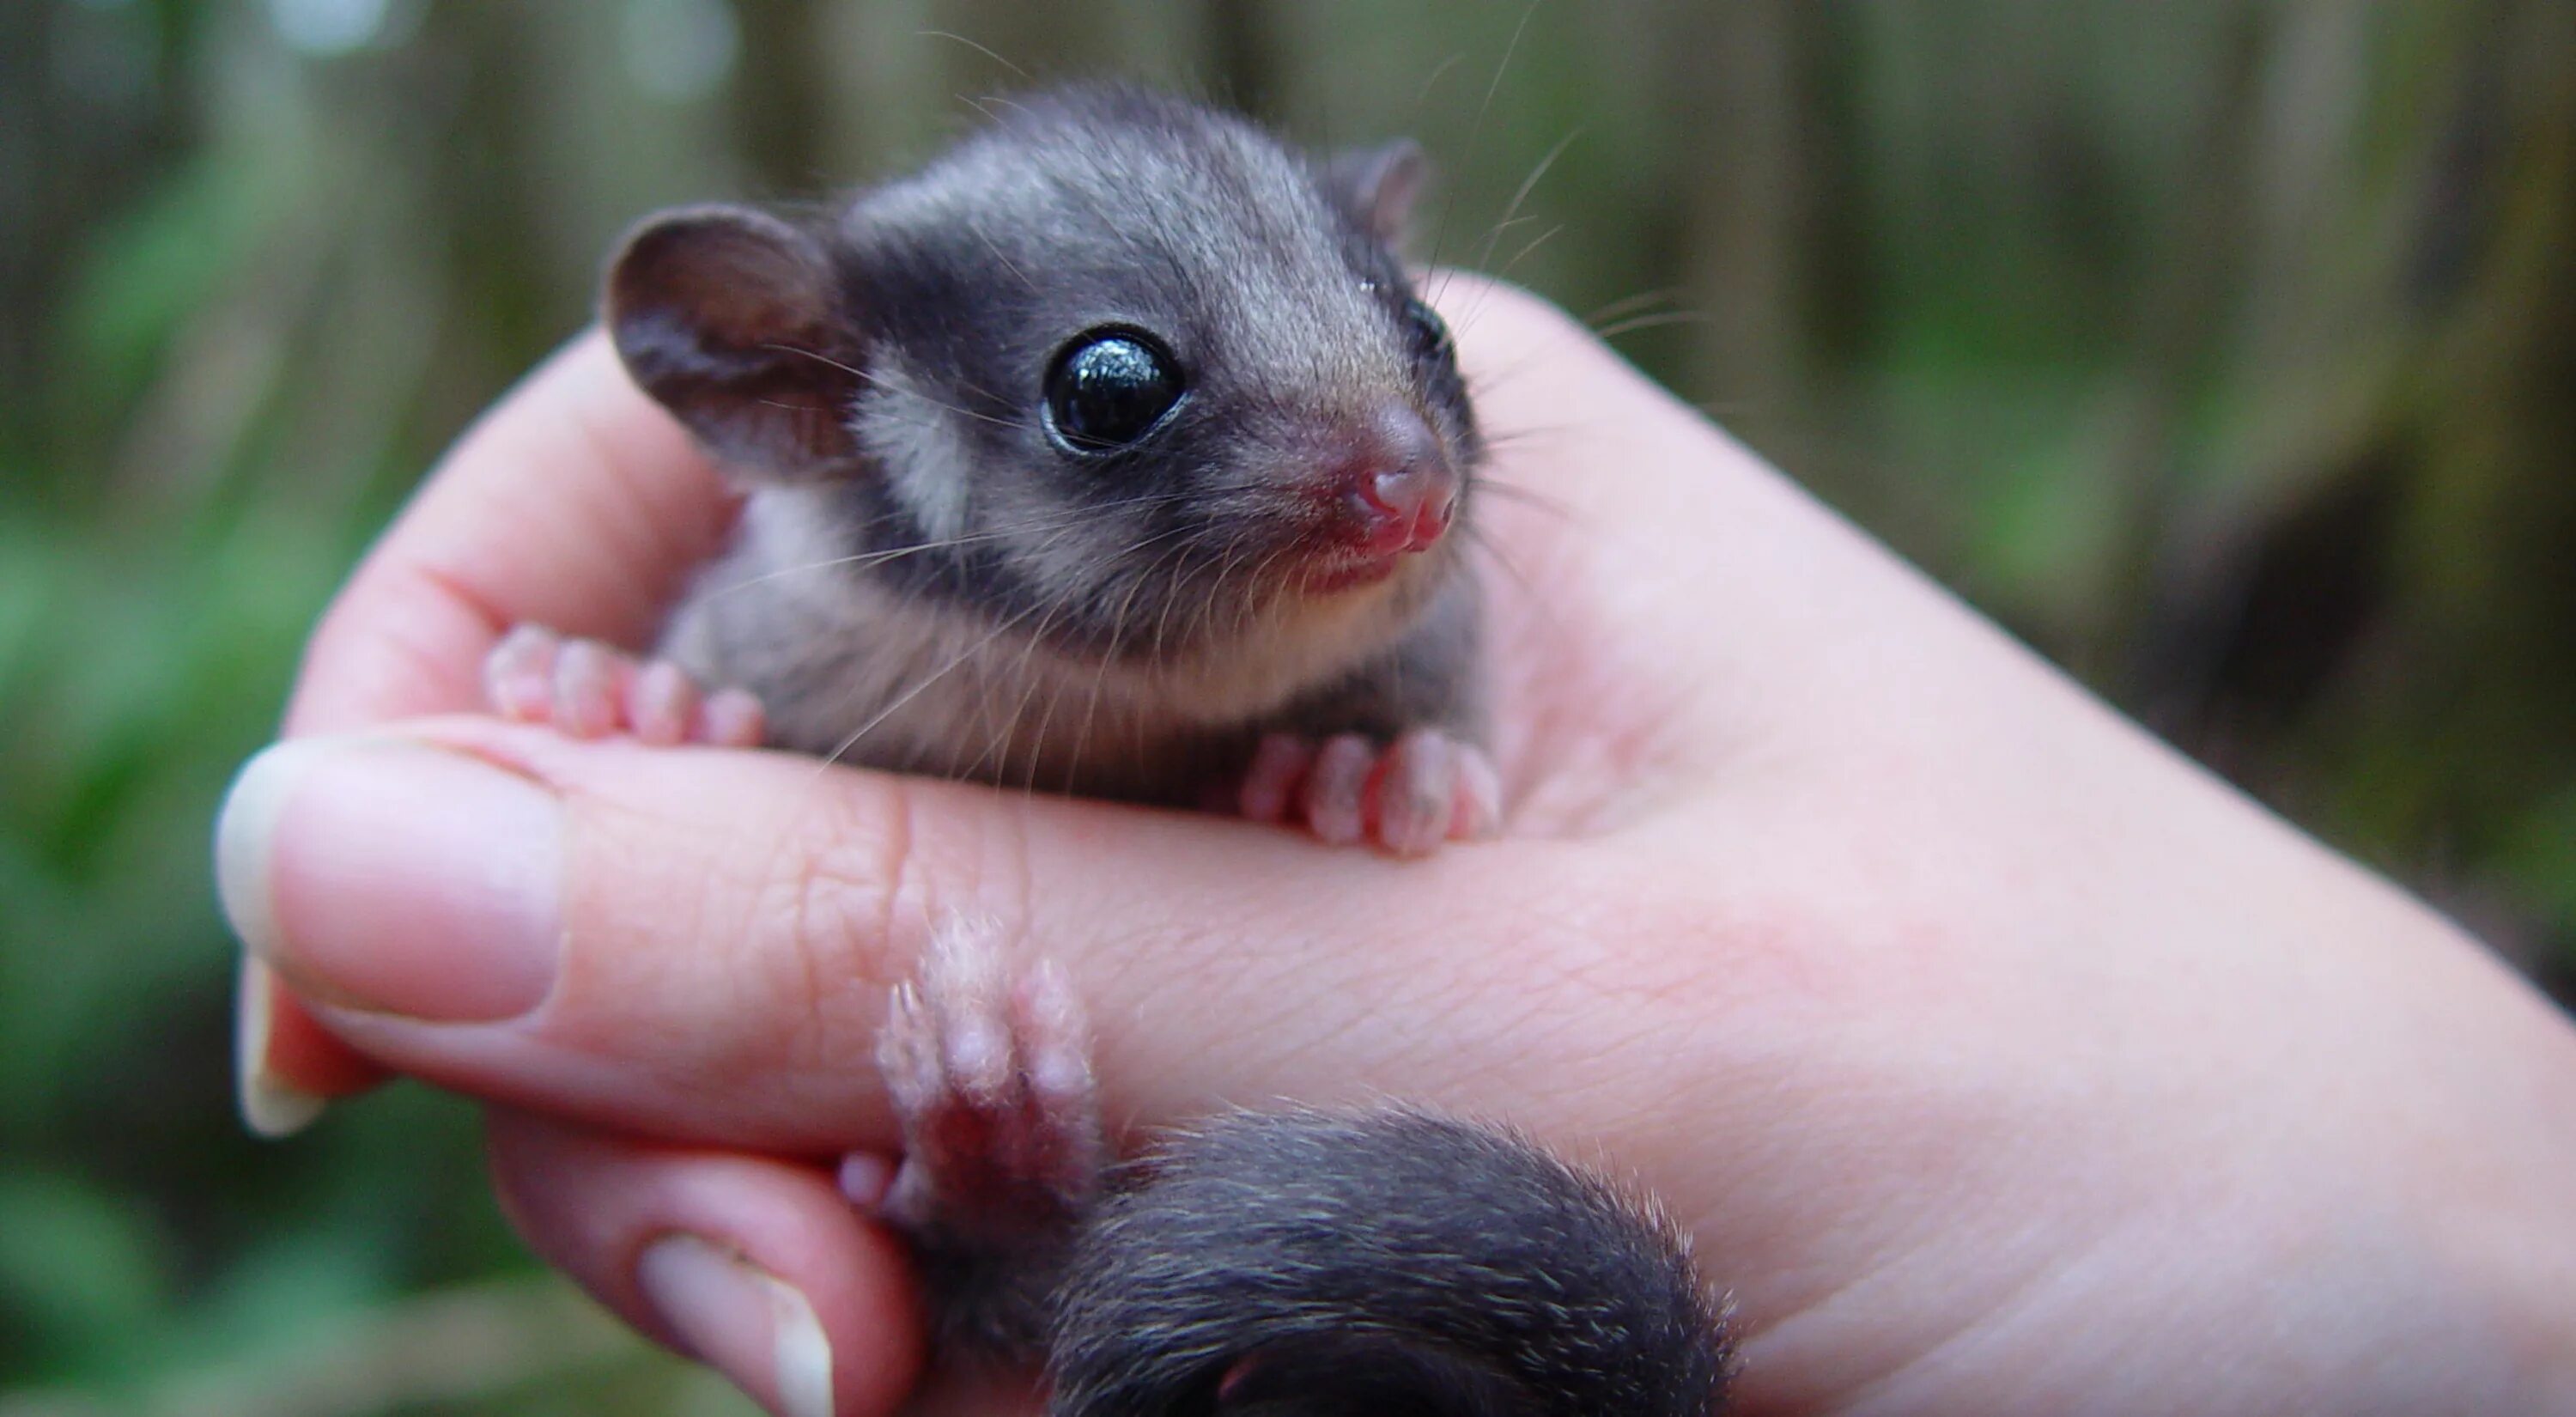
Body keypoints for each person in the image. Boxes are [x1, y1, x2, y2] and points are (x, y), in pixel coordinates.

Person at [214, 278, 2576, 1417]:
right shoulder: (768, 627)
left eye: (1409, 354)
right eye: (1125, 392)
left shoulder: (1416, 688)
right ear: (810, 402)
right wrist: (628, 711)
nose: (1400, 478)